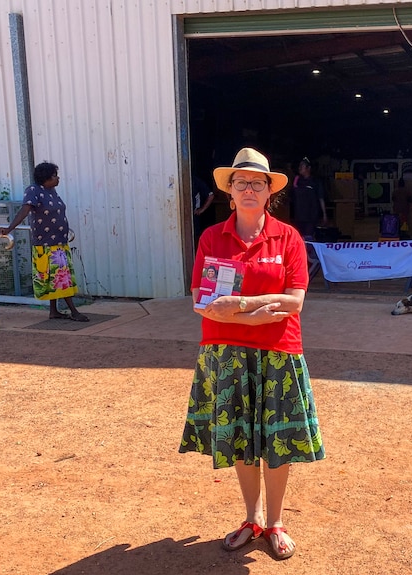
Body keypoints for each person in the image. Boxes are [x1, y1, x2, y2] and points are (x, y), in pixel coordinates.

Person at [179, 147, 324, 561]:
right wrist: (259, 313)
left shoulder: (288, 238)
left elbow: (294, 302)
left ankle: (276, 522)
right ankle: (252, 517)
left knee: (276, 442)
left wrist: (238, 307)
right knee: (243, 439)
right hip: (226, 353)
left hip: (278, 352)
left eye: (256, 183)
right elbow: (203, 301)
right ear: (229, 192)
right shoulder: (211, 237)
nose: (248, 188)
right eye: (239, 182)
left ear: (269, 192)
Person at [0, 162, 89, 322]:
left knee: (54, 277)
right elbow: (25, 210)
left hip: (59, 242)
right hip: (46, 245)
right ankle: (74, 311)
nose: (58, 178)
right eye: (54, 175)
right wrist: (9, 228)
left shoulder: (51, 191)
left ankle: (54, 311)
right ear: (46, 178)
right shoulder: (33, 191)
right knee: (61, 277)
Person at [290, 156, 327, 240]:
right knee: (298, 239)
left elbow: (321, 198)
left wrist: (324, 214)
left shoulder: (315, 181)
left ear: (308, 168)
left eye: (302, 166)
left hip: (311, 216)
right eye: (299, 166)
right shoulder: (297, 180)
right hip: (298, 216)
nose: (299, 168)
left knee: (308, 239)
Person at [192, 175, 215, 247]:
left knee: (195, 239)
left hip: (194, 217)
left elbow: (211, 195)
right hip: (178, 217)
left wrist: (201, 210)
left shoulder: (195, 180)